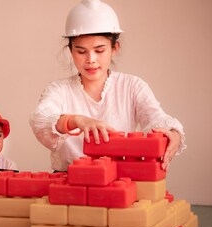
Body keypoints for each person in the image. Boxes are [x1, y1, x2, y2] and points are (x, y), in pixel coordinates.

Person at [29, 0, 186, 172]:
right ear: (70, 51)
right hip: (68, 182)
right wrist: (77, 120)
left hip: (117, 183)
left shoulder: (132, 86)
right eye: (81, 51)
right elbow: (40, 119)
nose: (91, 59)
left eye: (99, 50)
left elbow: (156, 118)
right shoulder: (59, 90)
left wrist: (173, 133)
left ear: (115, 48)